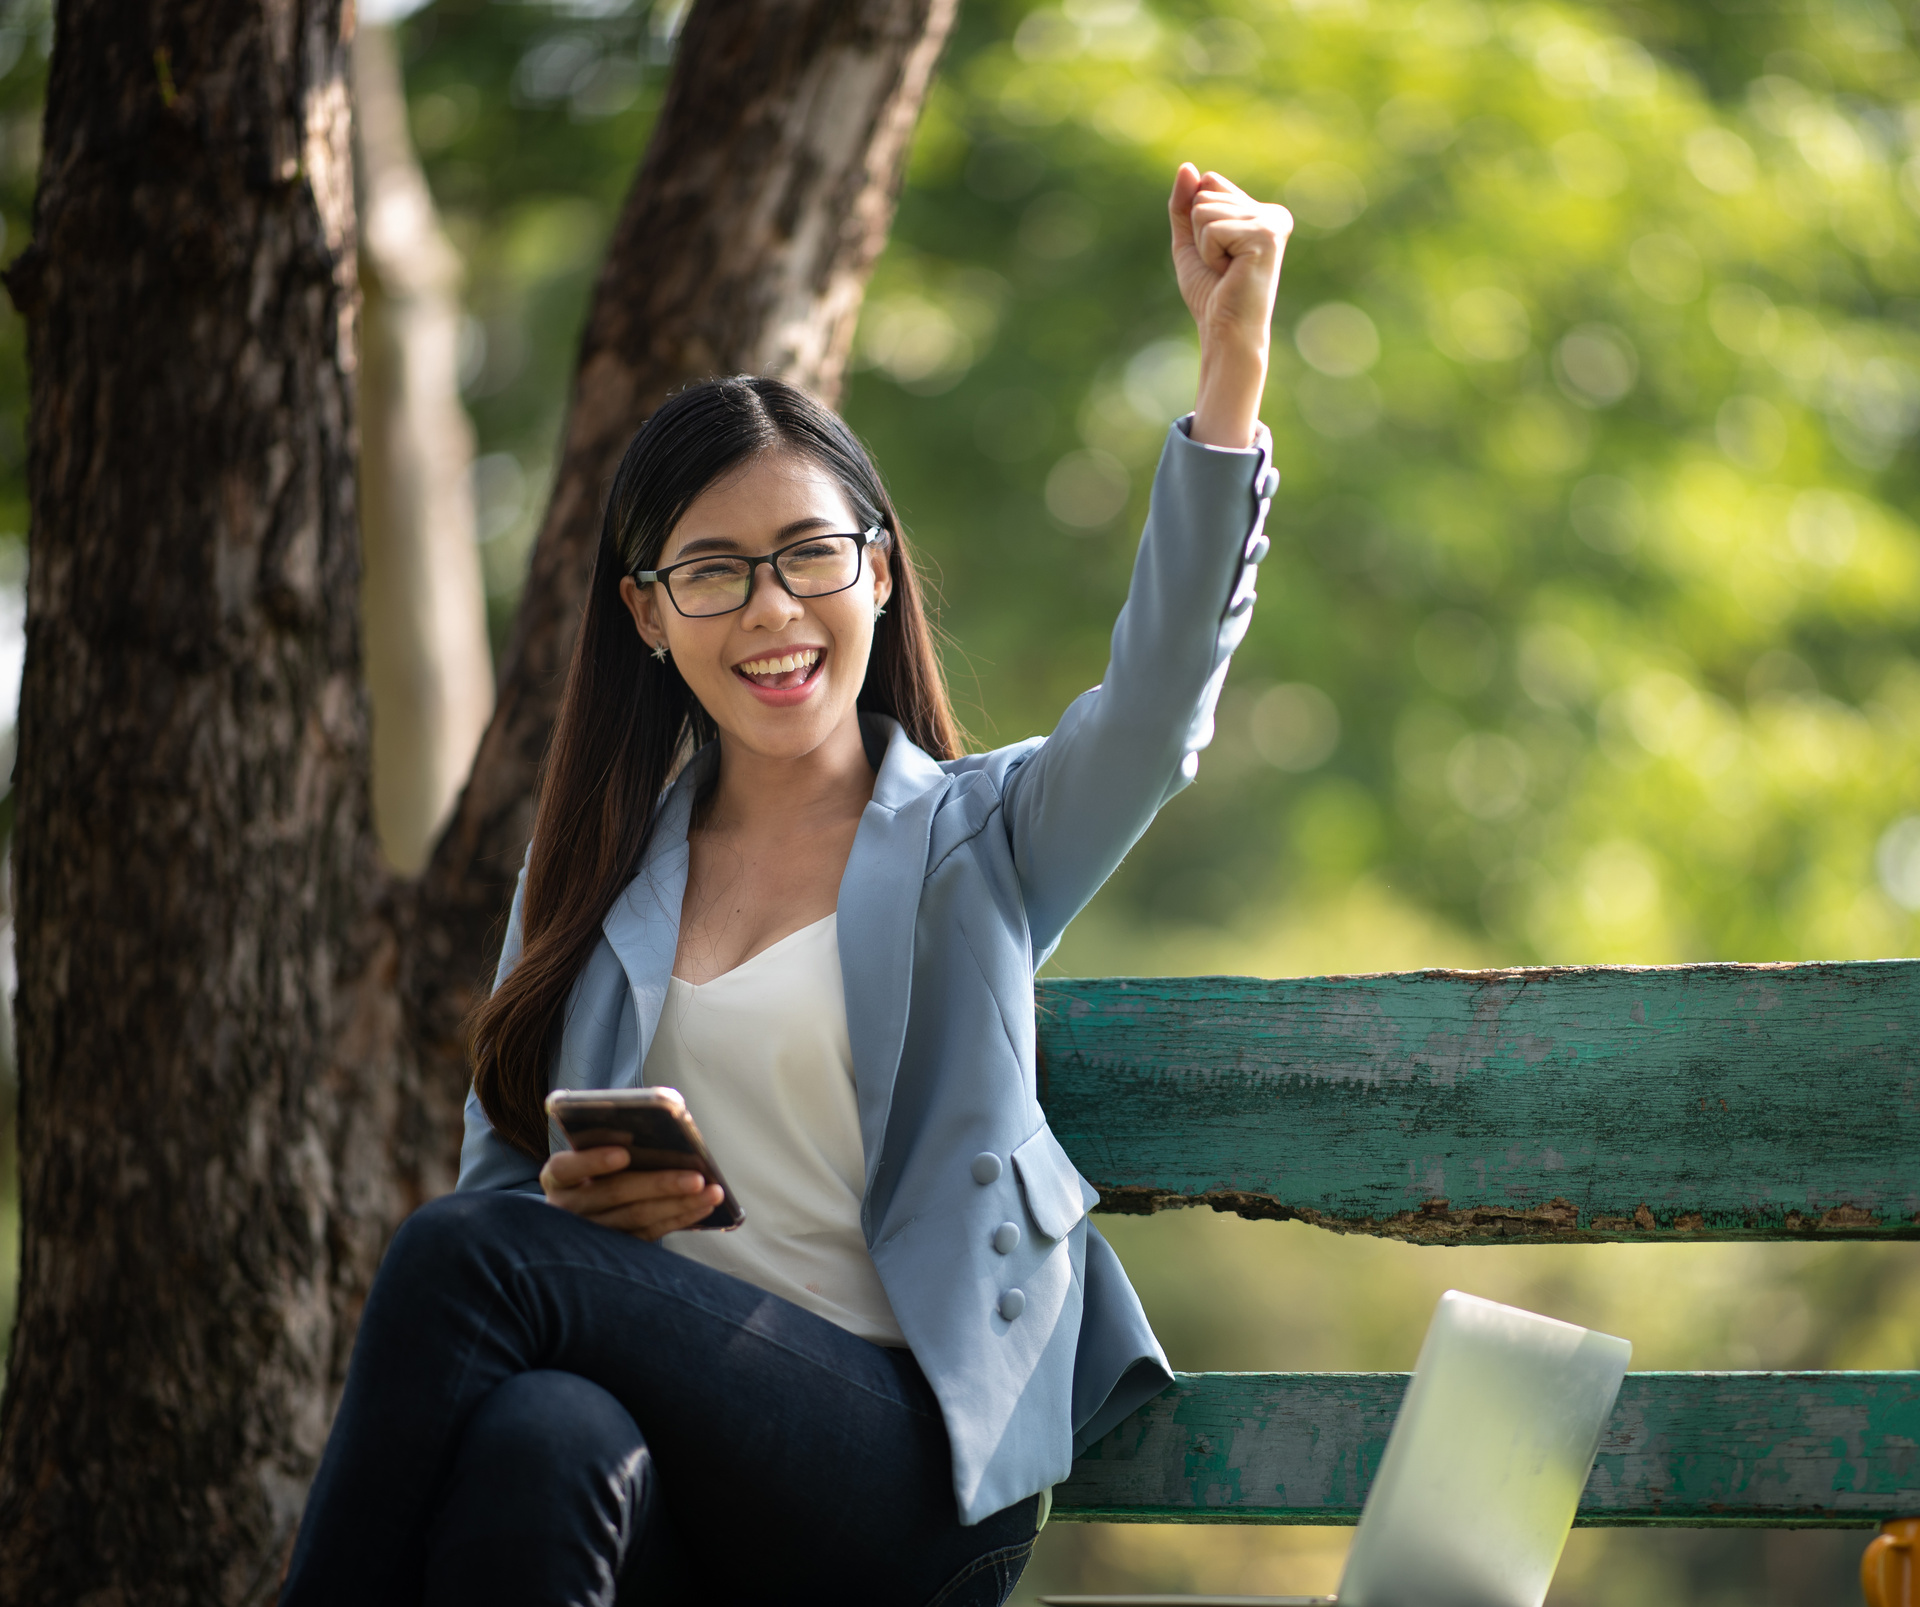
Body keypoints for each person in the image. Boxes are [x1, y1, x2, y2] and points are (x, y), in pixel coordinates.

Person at [280, 164, 1290, 1607]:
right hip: (676, 1470)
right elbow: (511, 1201)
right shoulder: (587, 885)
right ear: (646, 615)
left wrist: (1232, 363)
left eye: (812, 554)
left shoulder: (980, 841)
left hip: (903, 1469)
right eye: (714, 573)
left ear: (878, 574)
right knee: (537, 1434)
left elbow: (1156, 704)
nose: (771, 609)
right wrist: (580, 1217)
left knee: (466, 1258)